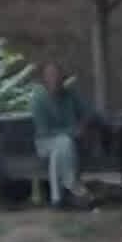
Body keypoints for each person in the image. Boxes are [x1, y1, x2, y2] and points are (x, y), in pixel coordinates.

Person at [34, 64, 88, 210]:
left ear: (62, 79)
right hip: (45, 143)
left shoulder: (70, 95)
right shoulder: (38, 100)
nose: (55, 80)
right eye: (51, 76)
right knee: (64, 142)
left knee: (58, 153)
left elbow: (87, 111)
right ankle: (72, 185)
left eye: (57, 76)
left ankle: (57, 199)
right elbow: (44, 131)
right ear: (45, 80)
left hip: (66, 145)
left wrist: (84, 124)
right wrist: (72, 131)